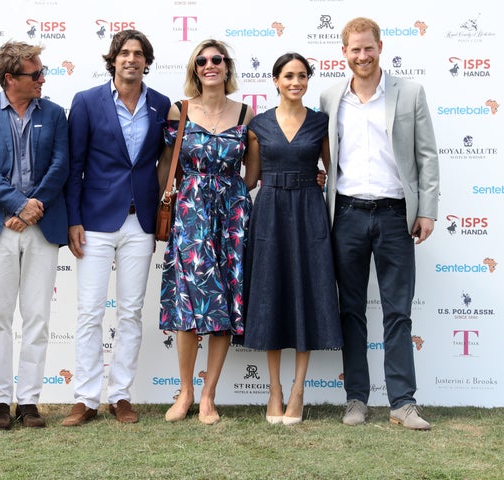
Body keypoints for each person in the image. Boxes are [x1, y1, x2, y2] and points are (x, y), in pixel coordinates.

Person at [320, 17, 439, 430]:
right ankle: (356, 399)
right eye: (354, 49)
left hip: (394, 216)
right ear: (344, 53)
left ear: (380, 47)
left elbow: (427, 157)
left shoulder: (410, 93)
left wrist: (427, 210)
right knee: (350, 310)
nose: (362, 55)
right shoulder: (330, 97)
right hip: (347, 215)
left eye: (368, 47)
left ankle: (403, 402)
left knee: (398, 312)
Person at [63, 29, 170, 426]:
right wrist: (73, 218)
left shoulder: (161, 104)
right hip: (94, 221)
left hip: (140, 222)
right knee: (90, 312)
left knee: (129, 312)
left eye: (138, 54)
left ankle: (120, 395)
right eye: (124, 53)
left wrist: (159, 203)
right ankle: (86, 398)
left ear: (146, 61)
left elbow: (163, 160)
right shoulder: (87, 102)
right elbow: (74, 168)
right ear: (113, 59)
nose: (131, 59)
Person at [0, 41, 69, 429]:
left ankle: (28, 402)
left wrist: (33, 206)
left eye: (42, 72)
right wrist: (16, 205)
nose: (42, 78)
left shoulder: (56, 113)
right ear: (11, 79)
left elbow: (61, 164)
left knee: (38, 316)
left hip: (42, 225)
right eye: (35, 73)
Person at [234, 53, 343, 426]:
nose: (295, 82)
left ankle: (298, 389)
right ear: (275, 80)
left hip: (309, 215)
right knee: (271, 294)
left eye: (302, 76)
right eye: (288, 76)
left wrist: (322, 180)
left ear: (308, 80)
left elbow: (333, 173)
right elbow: (250, 179)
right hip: (270, 215)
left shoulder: (321, 123)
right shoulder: (258, 124)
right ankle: (274, 390)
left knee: (307, 293)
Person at [158, 39, 254, 425]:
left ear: (227, 67)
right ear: (194, 68)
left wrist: (235, 200)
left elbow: (255, 171)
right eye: (202, 60)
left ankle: (209, 395)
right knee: (187, 301)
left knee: (226, 301)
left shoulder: (246, 113)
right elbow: (166, 164)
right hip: (190, 212)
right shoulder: (178, 110)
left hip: (231, 216)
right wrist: (164, 210)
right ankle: (185, 391)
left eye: (217, 59)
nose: (209, 65)